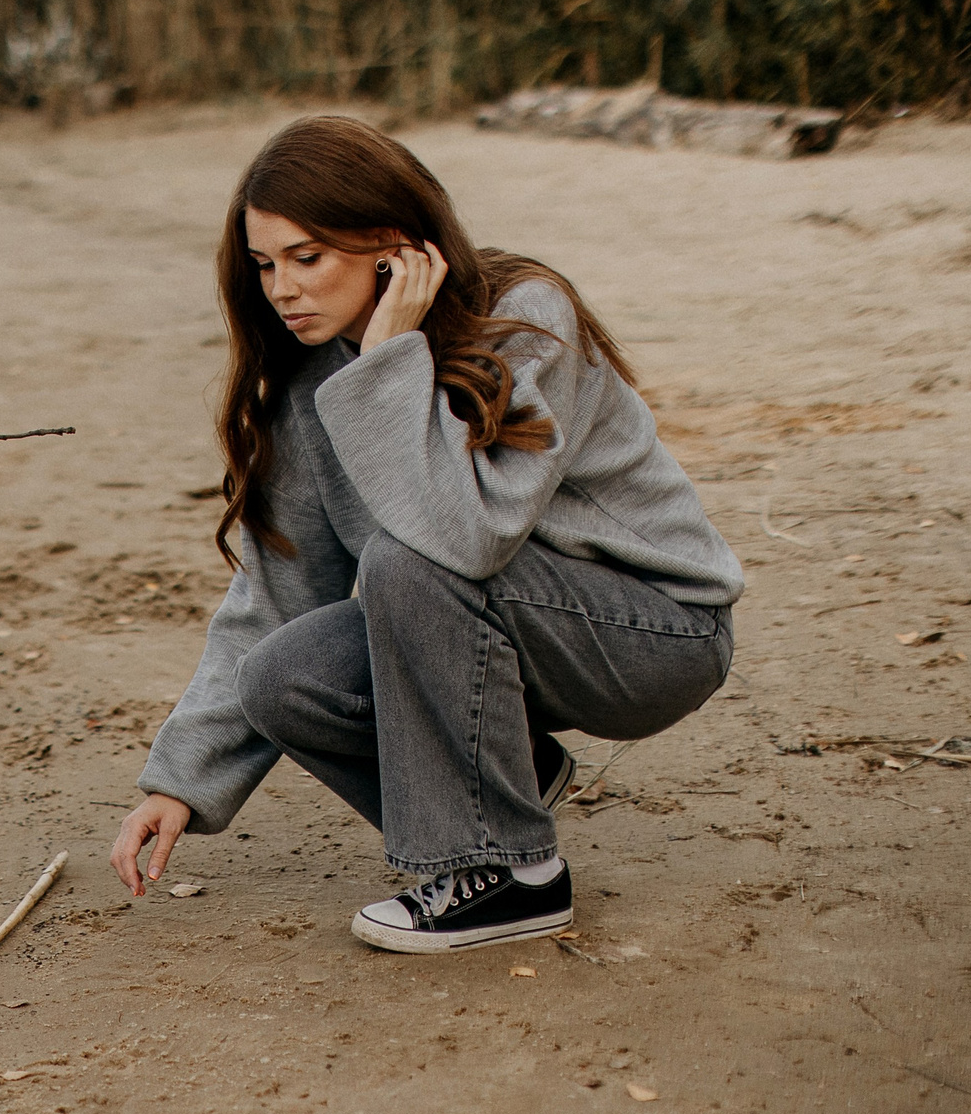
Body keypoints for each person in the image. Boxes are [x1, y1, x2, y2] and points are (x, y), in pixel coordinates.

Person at [108, 116, 741, 953]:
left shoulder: (522, 316)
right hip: (512, 635)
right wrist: (181, 780)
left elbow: (470, 537)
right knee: (284, 675)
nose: (282, 289)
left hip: (656, 634)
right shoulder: (315, 380)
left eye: (307, 257)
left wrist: (388, 362)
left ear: (392, 247)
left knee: (407, 559)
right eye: (264, 264)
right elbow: (277, 592)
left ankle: (510, 874)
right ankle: (513, 773)